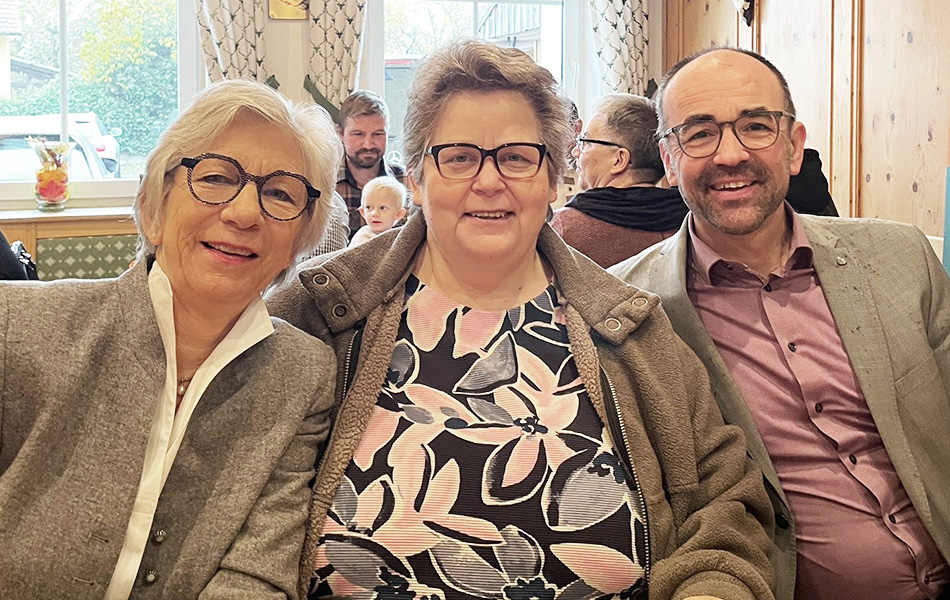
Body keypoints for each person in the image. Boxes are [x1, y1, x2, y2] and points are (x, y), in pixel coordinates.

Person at [269, 39, 775, 600]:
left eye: (516, 157)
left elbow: (726, 506)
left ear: (554, 179)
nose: (489, 182)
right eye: (459, 157)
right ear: (414, 177)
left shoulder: (631, 329)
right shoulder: (319, 314)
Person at [609, 47, 950, 600]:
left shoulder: (902, 258)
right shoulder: (630, 311)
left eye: (755, 126)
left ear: (793, 147)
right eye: (699, 134)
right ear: (669, 162)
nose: (730, 155)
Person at [0, 79, 343, 599]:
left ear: (299, 241)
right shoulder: (17, 326)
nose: (244, 213)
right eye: (215, 177)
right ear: (152, 208)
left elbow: (258, 574)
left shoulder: (303, 374)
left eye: (280, 194)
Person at [550, 94, 688, 268]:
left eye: (585, 141)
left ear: (619, 160)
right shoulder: (692, 225)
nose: (575, 152)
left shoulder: (562, 231)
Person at [336, 90, 409, 237]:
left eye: (378, 134)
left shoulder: (407, 183)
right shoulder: (326, 185)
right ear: (340, 134)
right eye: (358, 134)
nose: (368, 145)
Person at [348, 176, 407, 248]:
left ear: (399, 214)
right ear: (363, 212)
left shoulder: (398, 237)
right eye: (368, 207)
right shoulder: (363, 237)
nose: (374, 214)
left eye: (382, 208)